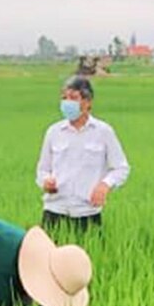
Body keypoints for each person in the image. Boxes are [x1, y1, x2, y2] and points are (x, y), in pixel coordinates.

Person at [36, 76, 130, 231]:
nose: (67, 103)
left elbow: (121, 168)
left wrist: (105, 185)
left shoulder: (103, 132)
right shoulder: (54, 132)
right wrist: (46, 182)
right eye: (64, 98)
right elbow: (42, 169)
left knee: (91, 253)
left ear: (87, 102)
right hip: (55, 211)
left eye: (73, 98)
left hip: (87, 213)